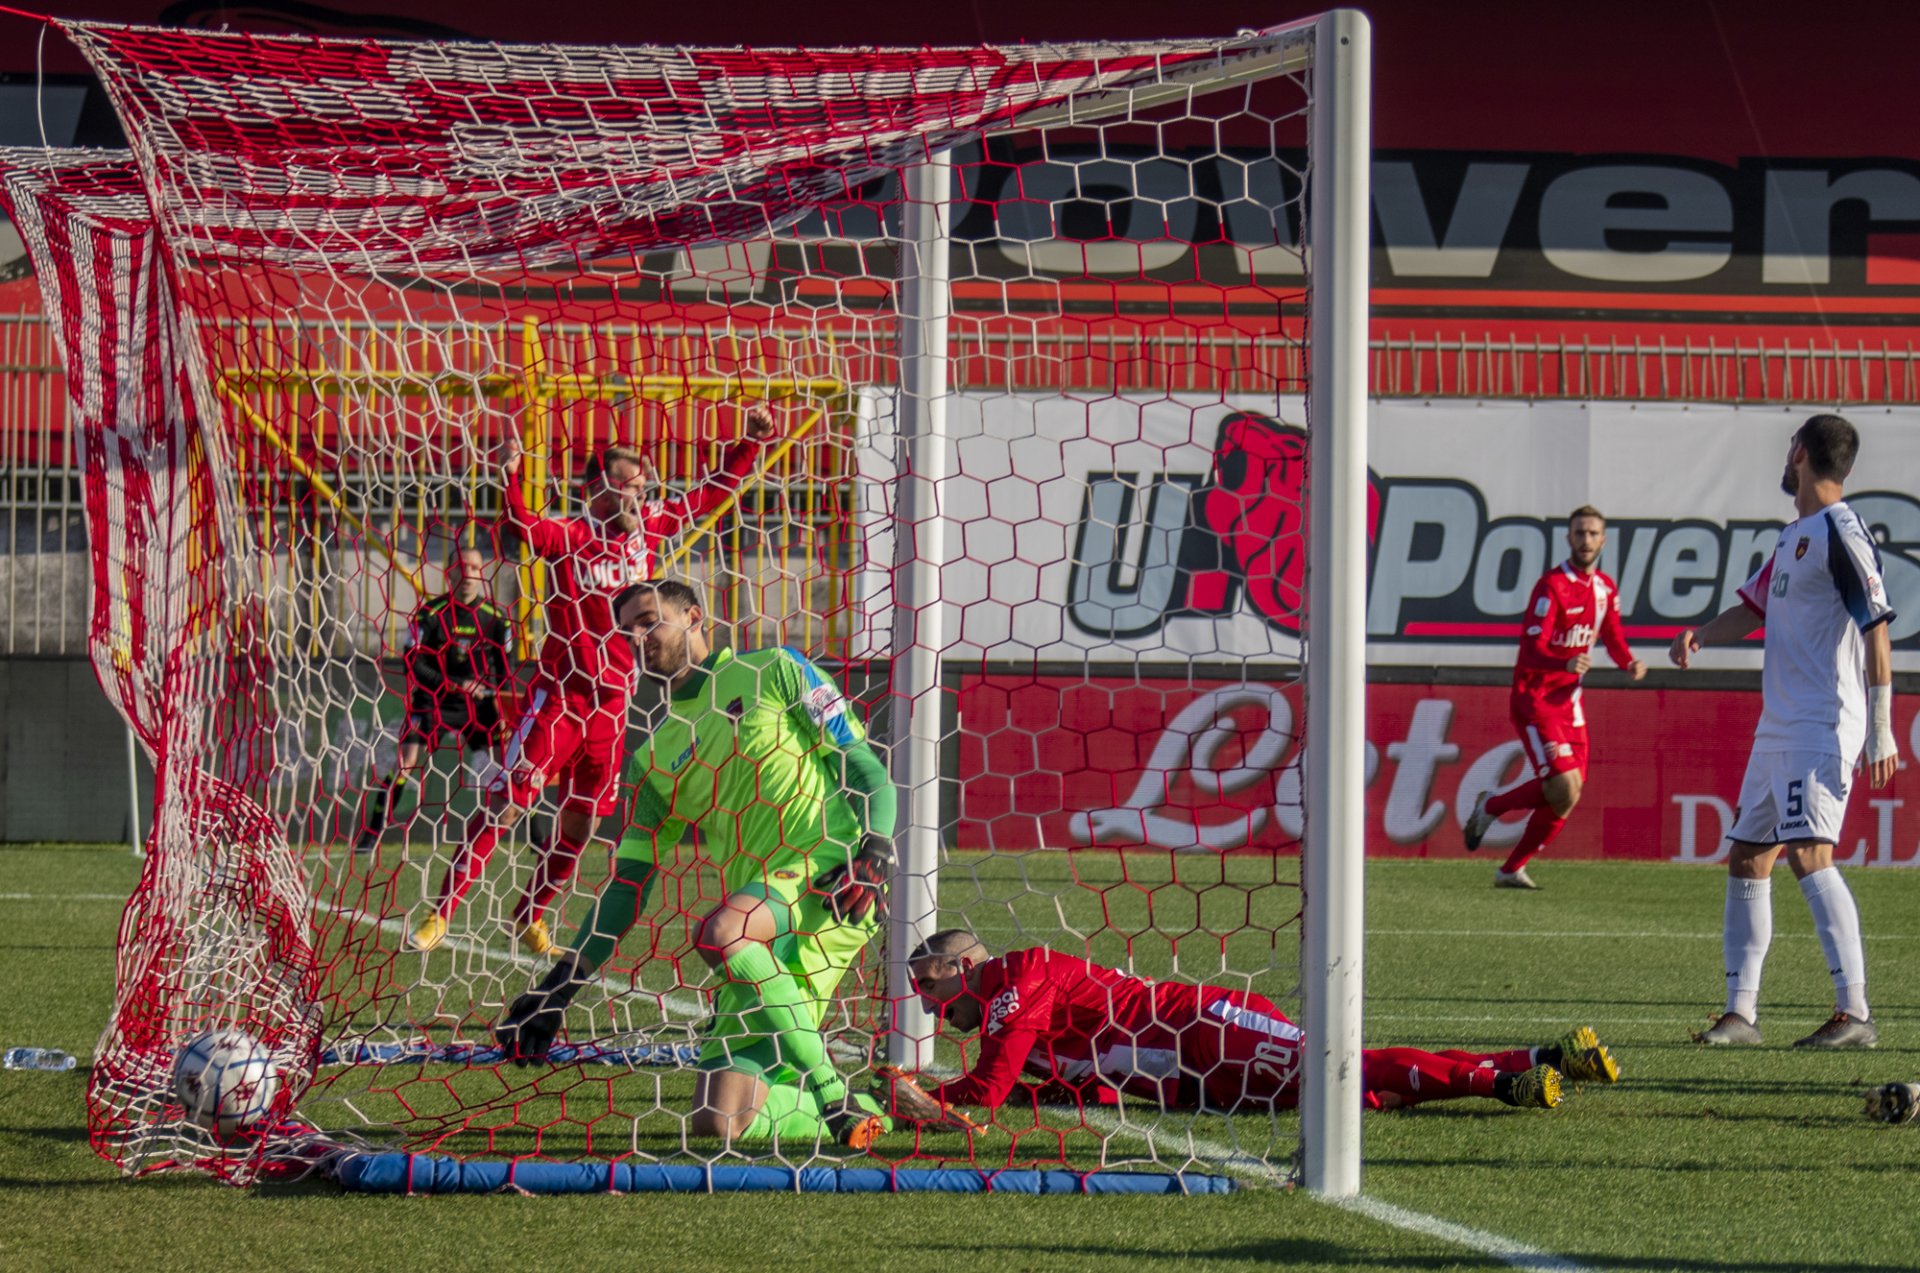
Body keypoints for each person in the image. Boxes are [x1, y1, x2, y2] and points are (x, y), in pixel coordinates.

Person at [494, 580, 899, 1149]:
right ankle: (865, 1105)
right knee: (721, 1120)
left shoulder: (775, 670)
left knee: (720, 930)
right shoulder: (653, 755)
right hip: (758, 930)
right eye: (625, 630)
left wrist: (876, 849)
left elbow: (863, 764)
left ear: (694, 616)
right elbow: (626, 888)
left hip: (826, 878)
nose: (637, 638)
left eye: (648, 620)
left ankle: (830, 1093)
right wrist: (562, 985)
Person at [410, 405, 777, 954]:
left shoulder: (649, 530)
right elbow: (523, 526)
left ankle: (530, 916)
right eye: (623, 485)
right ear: (594, 488)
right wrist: (510, 475)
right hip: (561, 697)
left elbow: (713, 493)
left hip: (614, 707)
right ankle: (441, 913)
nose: (635, 495)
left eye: (640, 485)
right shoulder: (570, 534)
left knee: (580, 829)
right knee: (509, 804)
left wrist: (748, 444)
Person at [1670, 413, 1897, 1049]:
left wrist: (1882, 726)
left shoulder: (1843, 531)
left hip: (1823, 722)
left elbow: (1877, 626)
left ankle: (1854, 1013)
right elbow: (1755, 607)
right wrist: (1702, 636)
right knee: (1748, 854)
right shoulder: (1795, 535)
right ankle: (1741, 1015)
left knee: (1809, 854)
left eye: (1788, 447)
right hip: (1779, 728)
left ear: (1799, 453)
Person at [890, 931, 1618, 1121]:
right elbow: (1088, 1085)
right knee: (1363, 1094)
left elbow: (986, 1091)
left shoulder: (1018, 981)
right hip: (1197, 1084)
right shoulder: (1020, 1010)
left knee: (1343, 1070)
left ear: (962, 965)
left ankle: (1503, 1083)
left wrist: (919, 1098)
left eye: (927, 983)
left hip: (1204, 1028)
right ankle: (1550, 1054)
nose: (926, 1002)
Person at [1464, 506, 1646, 889]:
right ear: (1568, 538)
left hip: (1569, 704)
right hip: (1535, 700)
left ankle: (1510, 869)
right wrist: (1565, 661)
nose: (1586, 540)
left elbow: (1612, 635)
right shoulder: (1552, 586)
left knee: (1568, 794)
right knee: (1563, 785)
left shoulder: (1605, 589)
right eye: (1579, 533)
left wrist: (1628, 661)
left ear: (1603, 540)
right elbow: (1531, 647)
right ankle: (1490, 806)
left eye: (1593, 533)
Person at [354, 545, 513, 856]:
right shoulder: (429, 614)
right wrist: (455, 684)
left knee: (511, 767)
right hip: (433, 700)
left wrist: (505, 709)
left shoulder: (495, 618)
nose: (468, 574)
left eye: (475, 568)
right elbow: (413, 664)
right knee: (405, 763)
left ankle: (536, 840)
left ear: (482, 574)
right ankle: (370, 836)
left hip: (478, 705)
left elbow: (505, 672)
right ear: (450, 572)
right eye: (462, 567)